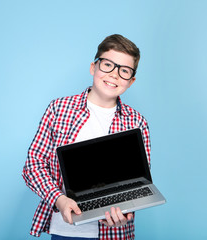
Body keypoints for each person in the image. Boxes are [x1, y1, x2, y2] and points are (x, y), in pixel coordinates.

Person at [22, 34, 151, 240]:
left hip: (115, 233)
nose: (114, 75)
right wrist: (59, 199)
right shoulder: (59, 109)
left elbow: (138, 182)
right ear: (94, 68)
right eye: (108, 65)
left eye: (124, 71)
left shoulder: (136, 122)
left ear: (131, 80)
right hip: (67, 231)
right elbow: (33, 166)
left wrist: (126, 212)